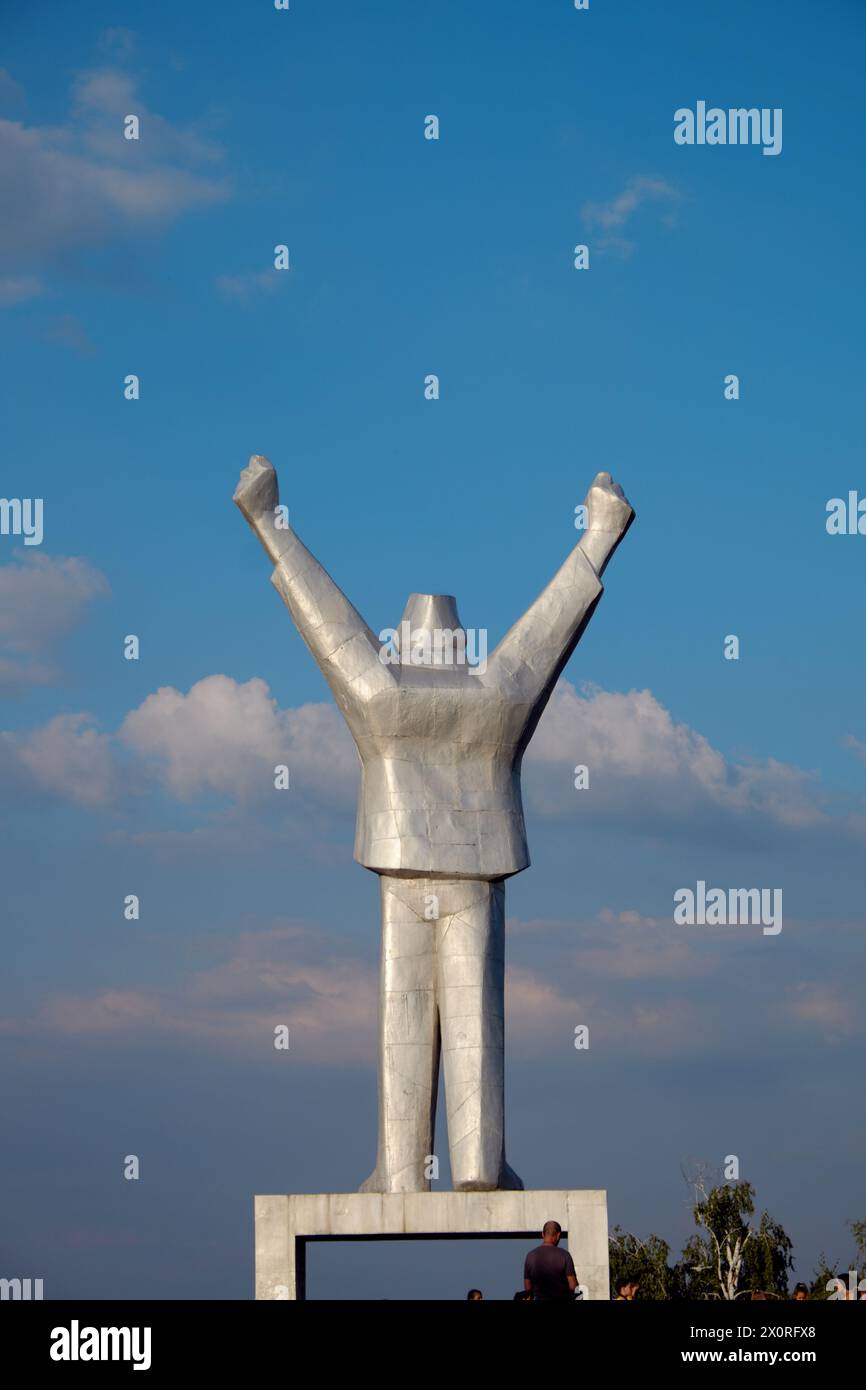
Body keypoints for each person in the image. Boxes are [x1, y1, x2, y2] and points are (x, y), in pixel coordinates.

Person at [524, 1220, 578, 1301]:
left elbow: (528, 1289)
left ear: (543, 1234)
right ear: (558, 1235)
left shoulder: (530, 1256)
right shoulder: (564, 1255)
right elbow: (573, 1286)